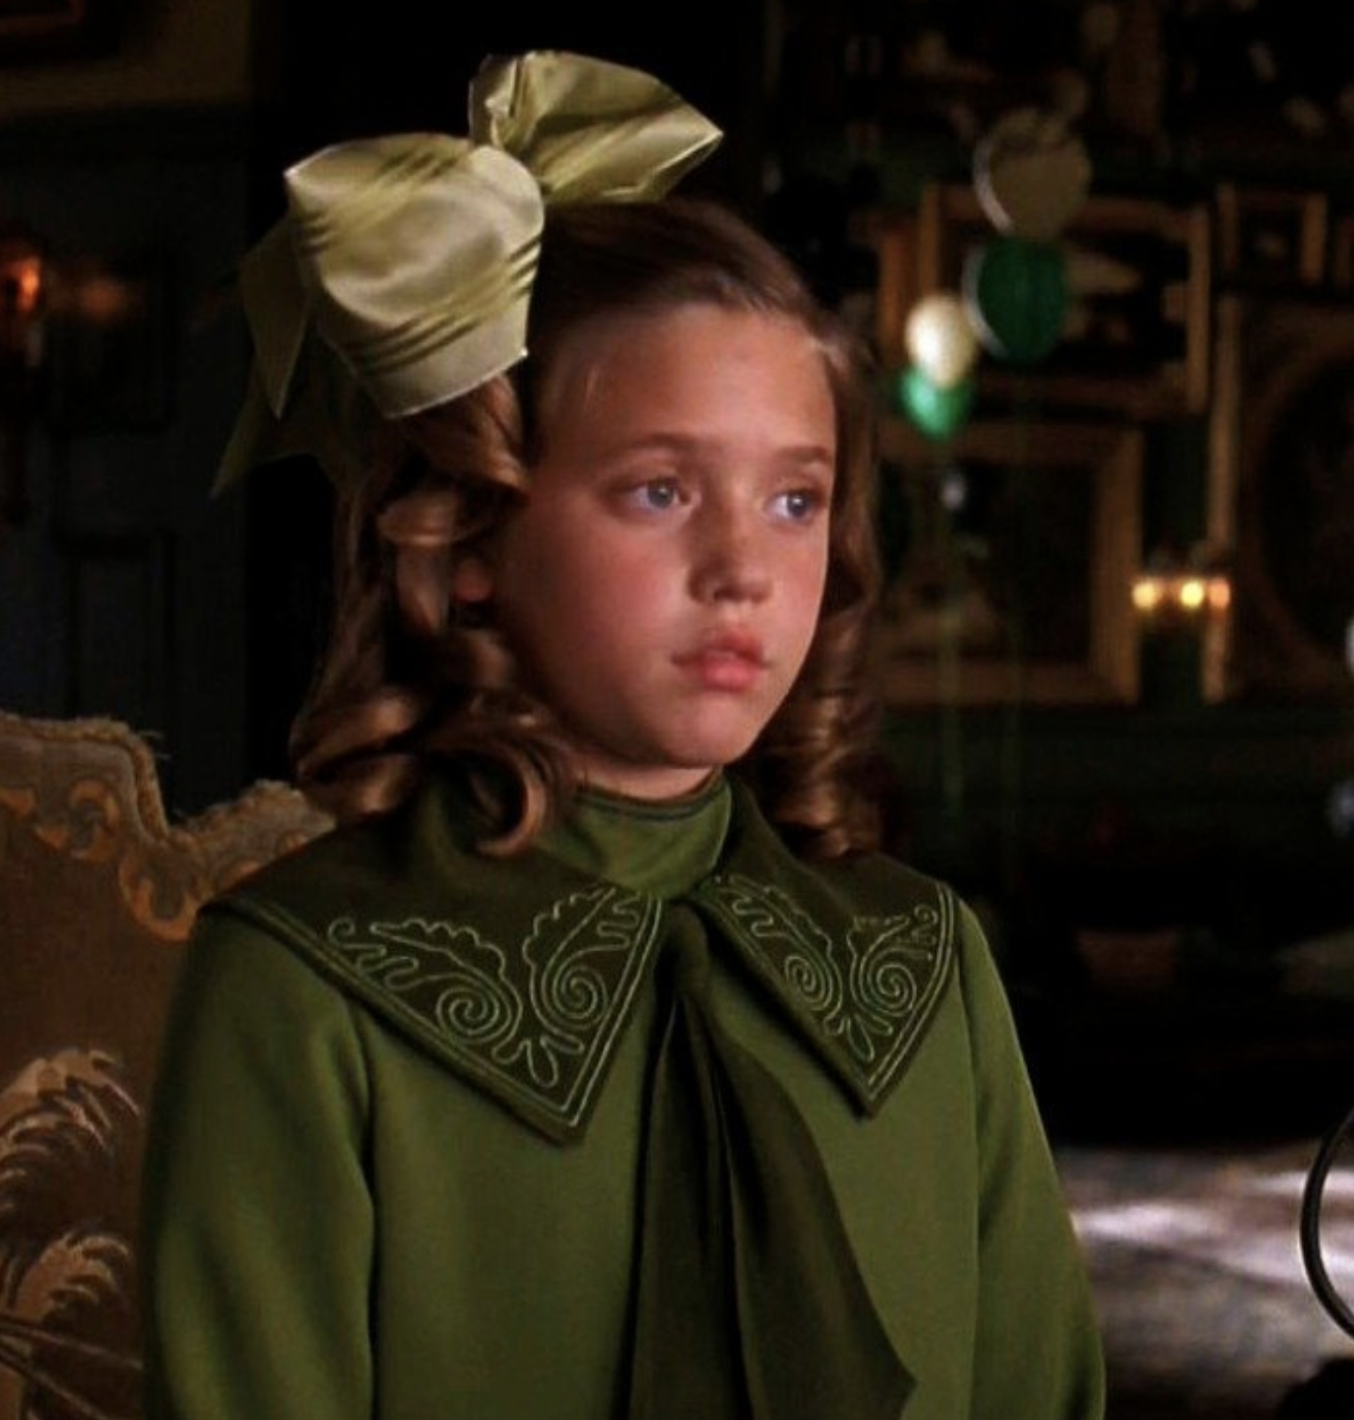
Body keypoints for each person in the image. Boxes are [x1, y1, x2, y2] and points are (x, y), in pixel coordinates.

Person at [139, 48, 1106, 1420]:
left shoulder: (923, 966)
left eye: (794, 501)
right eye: (660, 491)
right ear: (473, 530)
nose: (743, 571)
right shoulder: (305, 993)